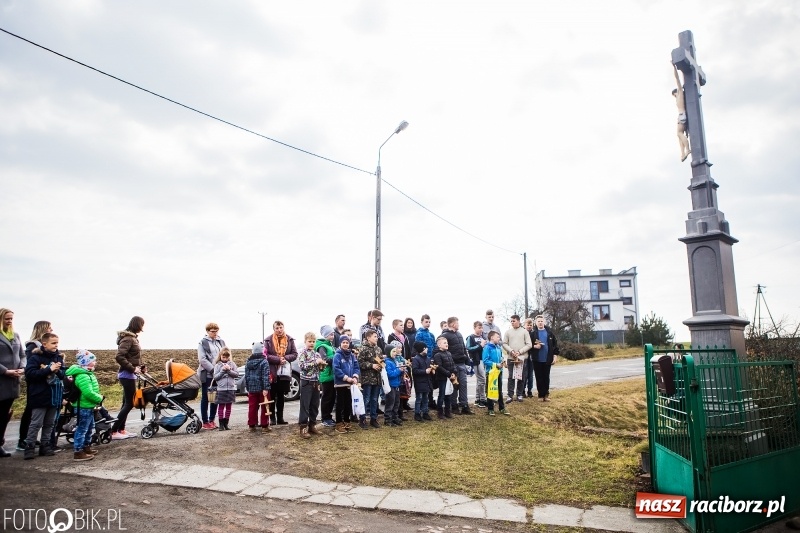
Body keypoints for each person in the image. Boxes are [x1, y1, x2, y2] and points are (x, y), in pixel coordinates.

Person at [23, 332, 64, 459]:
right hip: (39, 395)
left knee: (50, 423)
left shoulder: (58, 357)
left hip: (54, 396)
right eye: (53, 343)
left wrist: (58, 371)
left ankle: (45, 446)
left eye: (57, 343)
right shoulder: (35, 358)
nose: (56, 345)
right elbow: (30, 374)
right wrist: (48, 370)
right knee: (36, 423)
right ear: (44, 344)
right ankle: (29, 447)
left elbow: (63, 375)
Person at [111, 316, 145, 440]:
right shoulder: (128, 339)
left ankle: (121, 429)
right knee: (130, 403)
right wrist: (132, 368)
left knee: (126, 403)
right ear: (138, 325)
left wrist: (140, 367)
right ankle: (114, 431)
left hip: (130, 374)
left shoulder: (132, 338)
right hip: (127, 375)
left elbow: (133, 356)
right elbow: (119, 357)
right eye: (142, 324)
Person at [65, 349, 103, 461]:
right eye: (93, 361)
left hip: (88, 405)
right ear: (85, 362)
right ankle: (78, 451)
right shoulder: (83, 376)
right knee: (82, 428)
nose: (95, 362)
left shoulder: (87, 374)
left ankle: (86, 447)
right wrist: (99, 398)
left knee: (89, 427)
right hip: (83, 406)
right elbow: (87, 392)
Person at [0, 308, 25, 457]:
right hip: (2, 378)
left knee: (4, 414)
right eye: (6, 319)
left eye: (11, 319)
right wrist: (5, 371)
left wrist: (22, 367)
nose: (9, 322)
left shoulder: (15, 336)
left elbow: (22, 355)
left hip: (13, 381)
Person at [264, 320, 298, 426]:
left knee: (281, 395)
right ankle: (272, 418)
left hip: (285, 371)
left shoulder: (290, 339)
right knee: (272, 395)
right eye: (277, 328)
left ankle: (280, 418)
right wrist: (278, 359)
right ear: (274, 329)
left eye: (281, 327)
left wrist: (285, 358)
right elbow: (266, 355)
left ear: (283, 327)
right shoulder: (268, 340)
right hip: (273, 371)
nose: (279, 330)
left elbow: (294, 354)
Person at [441, 317, 473, 415]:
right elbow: (443, 350)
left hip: (462, 364)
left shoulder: (459, 334)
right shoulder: (445, 335)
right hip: (452, 365)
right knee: (455, 385)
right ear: (453, 324)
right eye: (457, 323)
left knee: (463, 385)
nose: (458, 325)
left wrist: (467, 360)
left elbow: (463, 348)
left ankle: (464, 405)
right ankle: (453, 406)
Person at [198, 322, 227, 430]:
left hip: (219, 374)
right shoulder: (202, 343)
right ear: (207, 331)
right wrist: (213, 369)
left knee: (215, 397)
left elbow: (226, 354)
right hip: (208, 374)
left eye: (216, 331)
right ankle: (205, 422)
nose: (214, 333)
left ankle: (212, 420)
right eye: (212, 331)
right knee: (206, 397)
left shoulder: (221, 341)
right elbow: (202, 359)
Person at [296, 332, 324, 439]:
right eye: (309, 341)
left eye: (313, 341)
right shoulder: (302, 353)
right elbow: (302, 366)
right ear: (305, 342)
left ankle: (312, 425)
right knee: (305, 405)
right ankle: (303, 427)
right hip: (306, 382)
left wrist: (322, 365)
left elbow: (319, 368)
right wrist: (315, 363)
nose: (312, 343)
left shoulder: (317, 354)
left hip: (316, 382)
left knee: (314, 405)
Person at [332, 335, 359, 433]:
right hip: (340, 384)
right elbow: (336, 369)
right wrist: (347, 378)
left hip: (350, 384)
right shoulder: (337, 355)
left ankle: (347, 422)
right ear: (340, 343)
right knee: (340, 404)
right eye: (343, 342)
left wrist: (355, 377)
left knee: (348, 403)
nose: (345, 344)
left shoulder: (352, 355)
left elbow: (356, 367)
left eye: (347, 342)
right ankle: (339, 423)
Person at [357, 329, 383, 430]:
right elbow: (359, 363)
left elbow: (380, 360)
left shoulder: (378, 349)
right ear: (368, 338)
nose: (377, 338)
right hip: (367, 379)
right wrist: (371, 365)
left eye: (377, 336)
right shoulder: (363, 349)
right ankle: (362, 419)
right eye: (375, 336)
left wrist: (381, 365)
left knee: (374, 399)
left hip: (376, 378)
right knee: (366, 399)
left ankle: (373, 418)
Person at [529, 315, 560, 401]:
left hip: (547, 359)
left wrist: (555, 356)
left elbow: (555, 345)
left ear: (544, 322)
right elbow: (528, 345)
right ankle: (540, 395)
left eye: (541, 321)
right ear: (536, 323)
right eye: (538, 321)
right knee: (539, 377)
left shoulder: (549, 332)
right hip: (536, 359)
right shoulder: (533, 333)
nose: (540, 323)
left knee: (546, 377)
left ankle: (546, 394)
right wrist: (535, 346)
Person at [502, 314, 531, 402]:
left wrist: (520, 352)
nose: (512, 323)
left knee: (521, 376)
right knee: (511, 377)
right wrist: (511, 351)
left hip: (522, 358)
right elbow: (504, 343)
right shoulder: (508, 332)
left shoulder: (524, 331)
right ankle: (510, 395)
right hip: (511, 358)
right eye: (511, 321)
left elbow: (529, 344)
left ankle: (519, 395)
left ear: (518, 321)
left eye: (514, 321)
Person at [245, 342, 271, 433]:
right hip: (262, 389)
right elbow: (265, 376)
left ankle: (252, 425)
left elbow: (246, 376)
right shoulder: (264, 361)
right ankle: (264, 425)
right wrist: (266, 388)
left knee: (252, 407)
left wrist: (248, 388)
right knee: (265, 406)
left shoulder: (248, 362)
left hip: (251, 389)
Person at [315, 326, 337, 428]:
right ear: (325, 335)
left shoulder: (330, 345)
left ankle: (329, 416)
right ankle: (325, 418)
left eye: (333, 334)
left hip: (332, 375)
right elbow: (324, 359)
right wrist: (336, 358)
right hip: (326, 375)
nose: (333, 336)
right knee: (327, 397)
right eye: (330, 334)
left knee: (332, 397)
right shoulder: (322, 346)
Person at [482, 331, 509, 416]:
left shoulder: (498, 347)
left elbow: (501, 356)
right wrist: (495, 364)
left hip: (499, 372)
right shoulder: (487, 348)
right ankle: (490, 408)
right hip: (491, 372)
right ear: (492, 338)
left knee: (499, 390)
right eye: (497, 337)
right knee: (490, 390)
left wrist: (503, 361)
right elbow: (485, 360)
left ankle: (502, 408)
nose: (499, 338)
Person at [212, 347, 239, 430]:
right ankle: (220, 424)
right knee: (221, 407)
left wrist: (229, 370)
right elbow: (216, 377)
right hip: (221, 389)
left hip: (230, 388)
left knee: (228, 407)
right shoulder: (217, 365)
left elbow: (236, 374)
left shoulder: (232, 364)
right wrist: (223, 371)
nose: (225, 359)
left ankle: (226, 423)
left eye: (227, 357)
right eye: (223, 357)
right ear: (220, 356)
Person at [416, 314, 437, 410]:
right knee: (423, 380)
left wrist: (433, 357)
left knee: (430, 381)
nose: (428, 324)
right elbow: (418, 345)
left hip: (430, 359)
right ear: (422, 322)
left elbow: (434, 345)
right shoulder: (419, 333)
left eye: (429, 322)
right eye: (426, 322)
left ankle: (430, 399)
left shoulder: (431, 334)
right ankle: (421, 401)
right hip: (423, 359)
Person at [432, 336, 456, 419]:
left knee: (448, 395)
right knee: (442, 394)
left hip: (449, 377)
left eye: (447, 343)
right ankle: (440, 412)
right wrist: (448, 374)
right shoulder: (437, 355)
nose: (447, 344)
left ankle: (447, 411)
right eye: (444, 343)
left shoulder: (449, 353)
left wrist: (453, 372)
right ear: (439, 345)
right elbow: (439, 367)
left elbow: (452, 364)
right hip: (442, 378)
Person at [466, 321, 488, 408]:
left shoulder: (483, 337)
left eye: (482, 328)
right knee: (481, 379)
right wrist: (480, 346)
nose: (481, 329)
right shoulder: (470, 337)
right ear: (474, 328)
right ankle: (482, 399)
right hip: (475, 360)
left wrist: (484, 345)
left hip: (482, 360)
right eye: (479, 327)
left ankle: (478, 399)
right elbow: (468, 348)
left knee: (481, 379)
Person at [673, 64, 691, 162]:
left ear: (675, 92)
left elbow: (677, 79)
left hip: (681, 115)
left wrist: (674, 68)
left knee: (679, 133)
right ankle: (683, 153)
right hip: (682, 115)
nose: (674, 97)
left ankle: (687, 150)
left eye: (674, 95)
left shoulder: (680, 92)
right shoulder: (682, 96)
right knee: (680, 135)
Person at [410, 341, 433, 421]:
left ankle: (425, 412)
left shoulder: (427, 358)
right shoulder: (416, 359)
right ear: (422, 349)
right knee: (419, 398)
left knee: (425, 398)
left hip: (426, 382)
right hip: (419, 382)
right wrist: (424, 371)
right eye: (425, 348)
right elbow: (415, 371)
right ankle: (417, 413)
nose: (427, 349)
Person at [383, 343, 404, 427]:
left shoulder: (395, 361)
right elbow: (390, 374)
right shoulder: (388, 362)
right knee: (390, 403)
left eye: (396, 351)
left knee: (396, 402)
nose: (395, 353)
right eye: (393, 351)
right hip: (391, 385)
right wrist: (399, 371)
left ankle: (395, 417)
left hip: (397, 384)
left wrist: (402, 370)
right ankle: (388, 418)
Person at [522, 318, 536, 398]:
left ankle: (529, 390)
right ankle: (523, 390)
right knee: (524, 374)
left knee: (530, 375)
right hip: (524, 355)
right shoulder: (523, 333)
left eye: (531, 325)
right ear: (525, 325)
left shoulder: (534, 333)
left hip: (532, 356)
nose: (529, 326)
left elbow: (535, 343)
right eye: (528, 325)